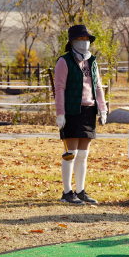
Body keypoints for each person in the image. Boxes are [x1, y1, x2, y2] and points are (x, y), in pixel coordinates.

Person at [54, 25, 108, 205]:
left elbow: (98, 86)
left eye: (87, 39)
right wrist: (60, 113)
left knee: (83, 154)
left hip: (88, 111)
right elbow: (59, 88)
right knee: (71, 152)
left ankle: (80, 190)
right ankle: (67, 192)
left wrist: (103, 107)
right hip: (71, 110)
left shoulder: (92, 60)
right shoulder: (64, 61)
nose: (85, 43)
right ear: (72, 42)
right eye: (81, 39)